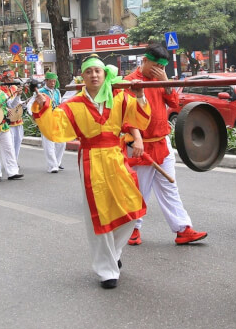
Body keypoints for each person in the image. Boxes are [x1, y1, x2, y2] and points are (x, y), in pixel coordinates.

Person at [31, 55, 150, 289]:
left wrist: (139, 95)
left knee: (131, 209)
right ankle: (107, 270)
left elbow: (139, 120)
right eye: (89, 72)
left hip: (116, 158)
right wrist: (43, 106)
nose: (94, 75)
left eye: (98, 71)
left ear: (104, 74)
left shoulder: (119, 98)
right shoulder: (73, 104)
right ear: (82, 77)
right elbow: (54, 128)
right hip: (91, 160)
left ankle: (113, 252)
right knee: (99, 215)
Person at [124, 43, 207, 246]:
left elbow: (174, 103)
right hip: (140, 145)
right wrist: (136, 138)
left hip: (162, 142)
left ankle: (183, 229)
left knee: (170, 188)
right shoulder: (129, 82)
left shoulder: (161, 79)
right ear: (144, 61)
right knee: (139, 190)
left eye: (162, 67)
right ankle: (132, 228)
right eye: (156, 66)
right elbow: (125, 115)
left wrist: (166, 82)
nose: (159, 71)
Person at [39, 72, 66, 173]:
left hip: (57, 119)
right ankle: (52, 166)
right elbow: (32, 105)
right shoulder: (40, 92)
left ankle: (57, 163)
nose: (53, 83)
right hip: (46, 120)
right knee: (49, 143)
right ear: (46, 81)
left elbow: (60, 103)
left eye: (54, 81)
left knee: (61, 143)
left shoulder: (57, 91)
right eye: (51, 81)